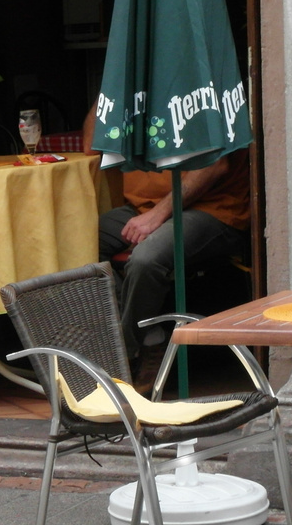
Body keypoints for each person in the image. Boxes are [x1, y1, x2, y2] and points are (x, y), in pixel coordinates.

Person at [84, 111, 250, 369]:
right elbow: (90, 144)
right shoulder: (132, 81)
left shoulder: (199, 79)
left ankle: (123, 358)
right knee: (77, 244)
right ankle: (149, 337)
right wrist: (111, 77)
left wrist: (156, 216)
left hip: (212, 208)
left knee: (146, 259)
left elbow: (217, 165)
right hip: (143, 207)